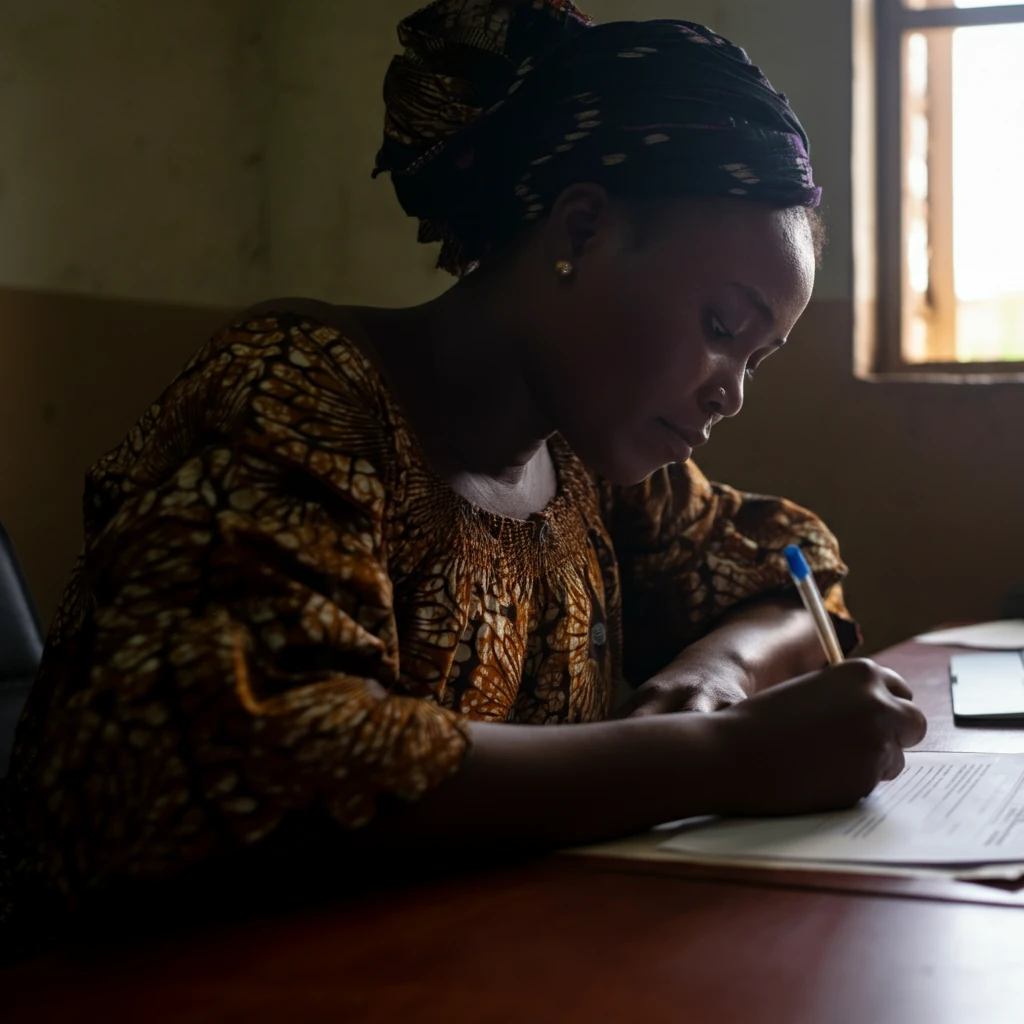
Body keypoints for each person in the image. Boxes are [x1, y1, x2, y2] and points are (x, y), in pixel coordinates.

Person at [1, 0, 926, 950]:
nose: (730, 392)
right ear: (582, 229)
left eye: (756, 360)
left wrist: (713, 677)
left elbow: (788, 569)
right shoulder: (298, 396)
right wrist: (720, 755)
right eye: (722, 327)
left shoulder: (588, 459)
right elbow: (271, 759)